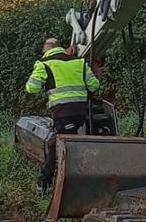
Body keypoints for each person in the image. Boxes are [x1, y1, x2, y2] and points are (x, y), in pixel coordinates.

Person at [26, 37, 100, 193]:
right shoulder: (79, 62)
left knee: (59, 145)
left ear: (45, 50)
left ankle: (45, 182)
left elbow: (31, 88)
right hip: (81, 113)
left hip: (62, 113)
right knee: (63, 140)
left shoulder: (43, 64)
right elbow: (95, 85)